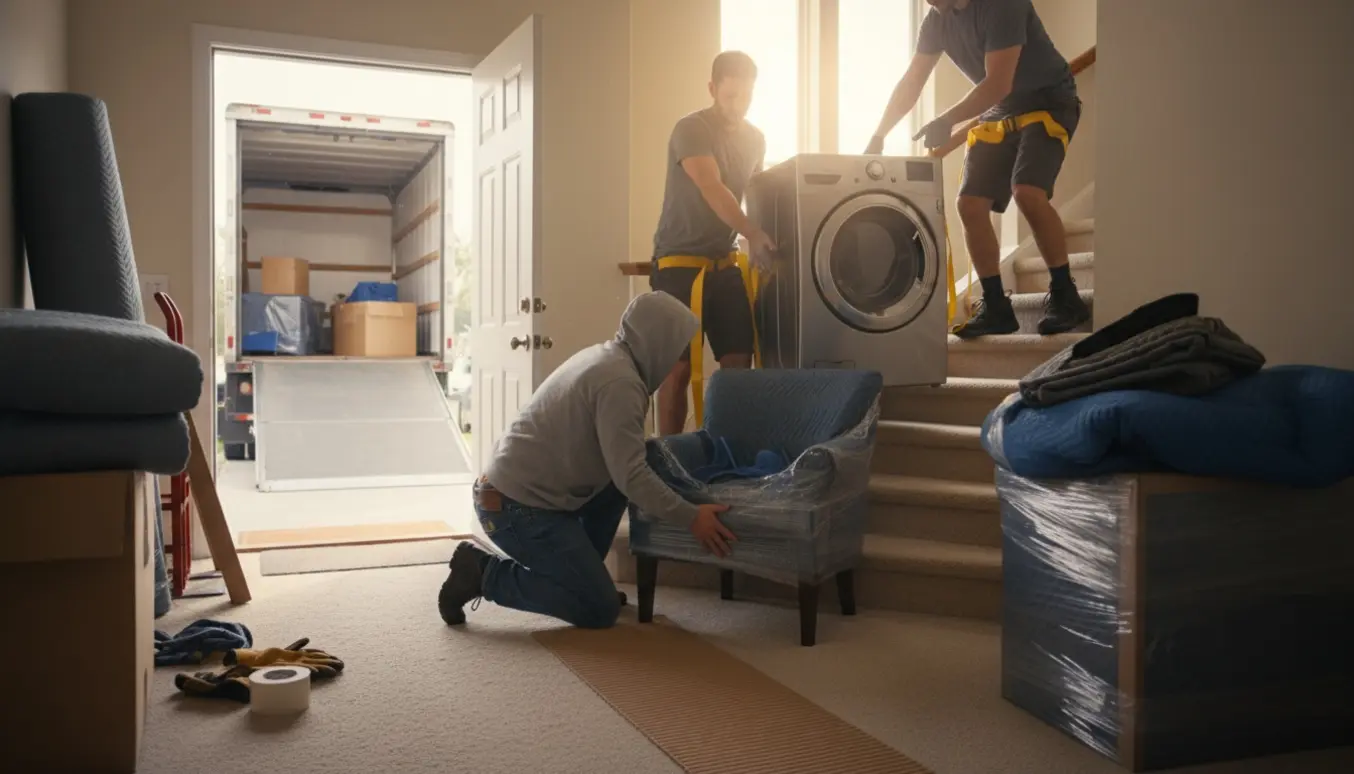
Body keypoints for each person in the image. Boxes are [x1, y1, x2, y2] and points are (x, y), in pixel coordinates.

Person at [437, 292, 738, 629]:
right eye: (675, 347)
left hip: (531, 498)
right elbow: (632, 477)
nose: (676, 358)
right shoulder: (620, 383)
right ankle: (482, 573)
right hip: (513, 509)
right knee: (597, 609)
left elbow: (629, 467)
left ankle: (584, 580)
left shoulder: (610, 359)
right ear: (657, 342)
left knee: (642, 458)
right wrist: (691, 517)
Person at [865, 0, 1091, 338]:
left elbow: (998, 82)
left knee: (1027, 192)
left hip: (1050, 101)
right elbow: (912, 81)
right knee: (969, 204)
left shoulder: (1003, 5)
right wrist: (878, 136)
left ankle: (1065, 295)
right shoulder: (936, 21)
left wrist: (947, 120)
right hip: (1001, 110)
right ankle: (996, 306)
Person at [649, 50, 774, 435]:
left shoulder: (756, 139)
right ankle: (667, 464)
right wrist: (752, 231)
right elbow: (712, 187)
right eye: (731, 96)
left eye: (747, 96)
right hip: (678, 265)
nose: (739, 106)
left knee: (739, 363)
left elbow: (757, 194)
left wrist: (764, 238)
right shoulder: (691, 129)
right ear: (712, 88)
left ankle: (724, 457)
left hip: (724, 264)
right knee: (678, 369)